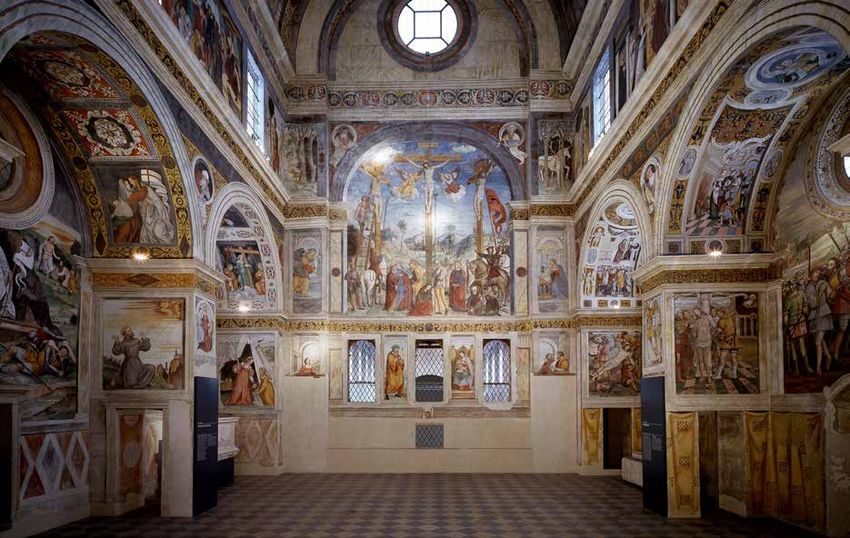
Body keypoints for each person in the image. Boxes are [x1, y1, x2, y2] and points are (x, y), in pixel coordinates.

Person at [692, 308, 713, 380]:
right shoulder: (696, 322)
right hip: (699, 342)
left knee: (705, 360)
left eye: (697, 312)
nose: (696, 314)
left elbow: (714, 327)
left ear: (701, 312)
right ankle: (702, 376)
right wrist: (694, 333)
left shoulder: (708, 319)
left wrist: (709, 335)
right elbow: (694, 333)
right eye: (695, 313)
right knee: (700, 360)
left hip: (707, 342)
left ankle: (709, 377)